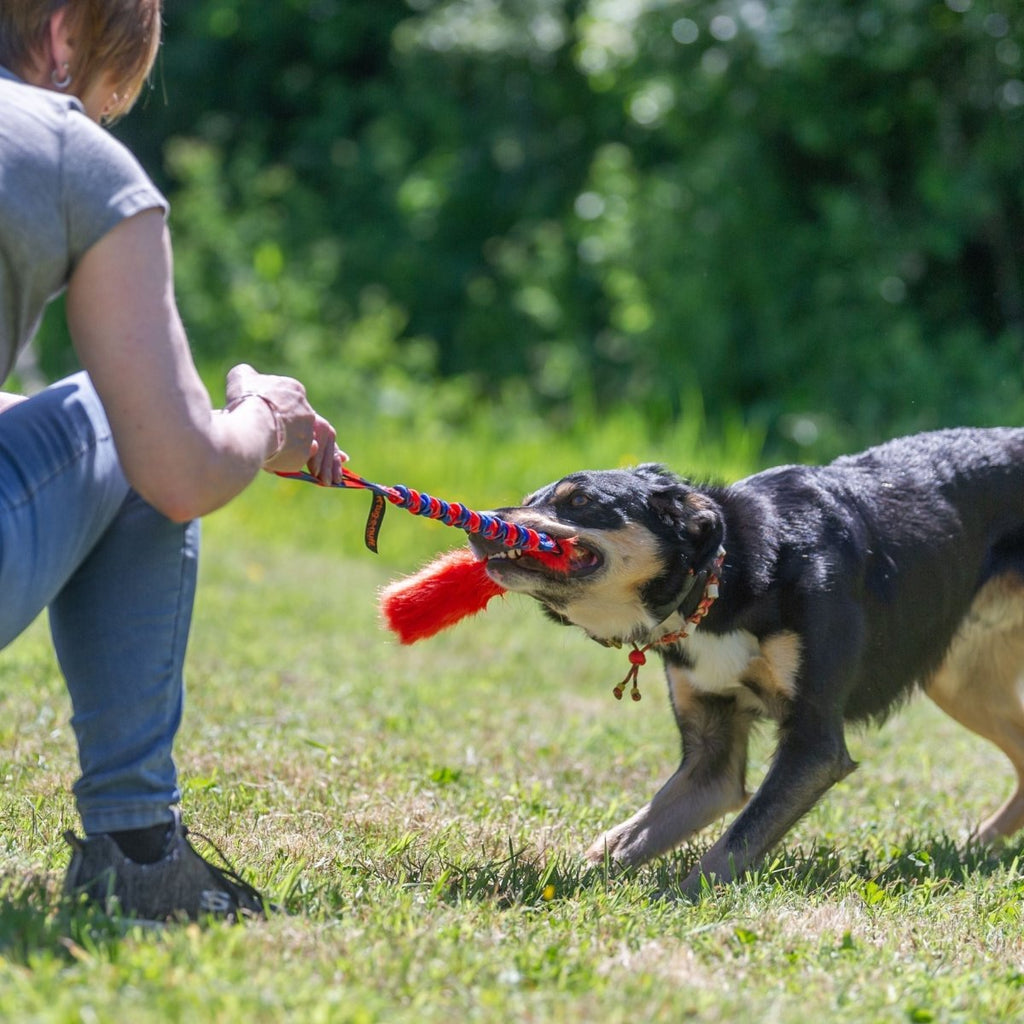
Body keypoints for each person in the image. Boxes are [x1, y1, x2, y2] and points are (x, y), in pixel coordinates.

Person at [0, 1, 346, 921]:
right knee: (129, 418)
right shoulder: (69, 154)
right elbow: (179, 468)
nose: (97, 116)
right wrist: (267, 417)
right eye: (109, 88)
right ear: (66, 34)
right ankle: (138, 851)